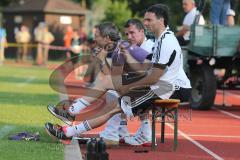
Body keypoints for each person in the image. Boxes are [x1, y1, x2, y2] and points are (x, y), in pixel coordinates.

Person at [45, 4, 191, 144]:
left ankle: (76, 133)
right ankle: (74, 114)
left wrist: (128, 86)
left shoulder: (161, 42)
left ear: (161, 20)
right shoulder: (159, 40)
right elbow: (126, 72)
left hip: (165, 88)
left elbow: (152, 76)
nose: (145, 23)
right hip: (158, 85)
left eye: (148, 20)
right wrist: (109, 63)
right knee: (110, 85)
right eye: (127, 33)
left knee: (114, 105)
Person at [99, 19, 155, 146]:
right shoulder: (130, 48)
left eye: (132, 33)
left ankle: (112, 133)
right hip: (144, 86)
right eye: (127, 34)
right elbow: (115, 73)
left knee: (117, 92)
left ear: (142, 31)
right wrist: (102, 61)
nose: (129, 37)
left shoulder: (150, 47)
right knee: (114, 88)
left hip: (157, 88)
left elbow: (145, 73)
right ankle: (121, 130)